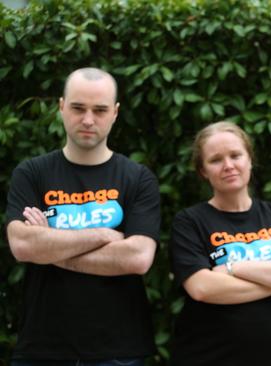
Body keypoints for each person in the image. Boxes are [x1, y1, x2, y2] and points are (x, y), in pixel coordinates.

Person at [5, 67, 160, 365]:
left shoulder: (138, 178)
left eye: (100, 110)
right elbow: (23, 245)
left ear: (115, 113)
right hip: (42, 349)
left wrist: (49, 246)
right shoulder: (32, 173)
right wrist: (103, 236)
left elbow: (136, 258)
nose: (88, 119)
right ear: (62, 107)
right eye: (78, 108)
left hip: (118, 351)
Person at [169, 121, 271, 366]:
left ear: (249, 159)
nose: (228, 165)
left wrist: (232, 269)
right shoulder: (189, 222)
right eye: (216, 160)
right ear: (202, 171)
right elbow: (202, 288)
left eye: (235, 155)